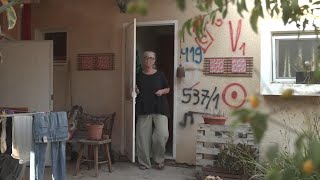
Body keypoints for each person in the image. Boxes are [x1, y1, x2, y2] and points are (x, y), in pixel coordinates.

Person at [135, 51, 170, 170]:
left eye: (151, 58)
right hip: (143, 108)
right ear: (143, 60)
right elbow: (134, 90)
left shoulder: (160, 74)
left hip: (160, 108)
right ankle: (145, 163)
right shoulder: (138, 75)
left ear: (154, 60)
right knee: (142, 138)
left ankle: (159, 160)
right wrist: (134, 89)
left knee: (162, 135)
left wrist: (162, 91)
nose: (148, 60)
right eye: (146, 58)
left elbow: (168, 88)